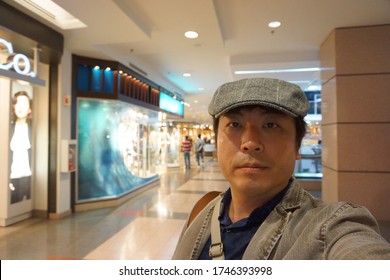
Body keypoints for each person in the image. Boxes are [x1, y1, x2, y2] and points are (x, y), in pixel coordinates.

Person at [172, 78, 390, 260]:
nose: (250, 142)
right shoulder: (202, 210)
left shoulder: (330, 228)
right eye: (235, 125)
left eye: (270, 125)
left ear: (297, 145)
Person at [9, 91, 32, 204]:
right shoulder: (8, 129)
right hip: (13, 176)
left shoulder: (33, 130)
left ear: (30, 109)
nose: (20, 107)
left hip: (29, 176)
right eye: (17, 103)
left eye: (24, 103)